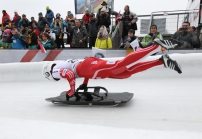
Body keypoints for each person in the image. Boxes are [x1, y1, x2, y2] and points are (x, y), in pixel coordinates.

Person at [42, 39, 182, 100]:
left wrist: (71, 91)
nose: (54, 77)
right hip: (89, 66)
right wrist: (85, 83)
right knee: (124, 73)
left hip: (88, 67)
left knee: (119, 65)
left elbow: (70, 73)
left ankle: (156, 47)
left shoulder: (56, 71)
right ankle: (160, 61)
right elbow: (77, 70)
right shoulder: (61, 63)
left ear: (49, 72)